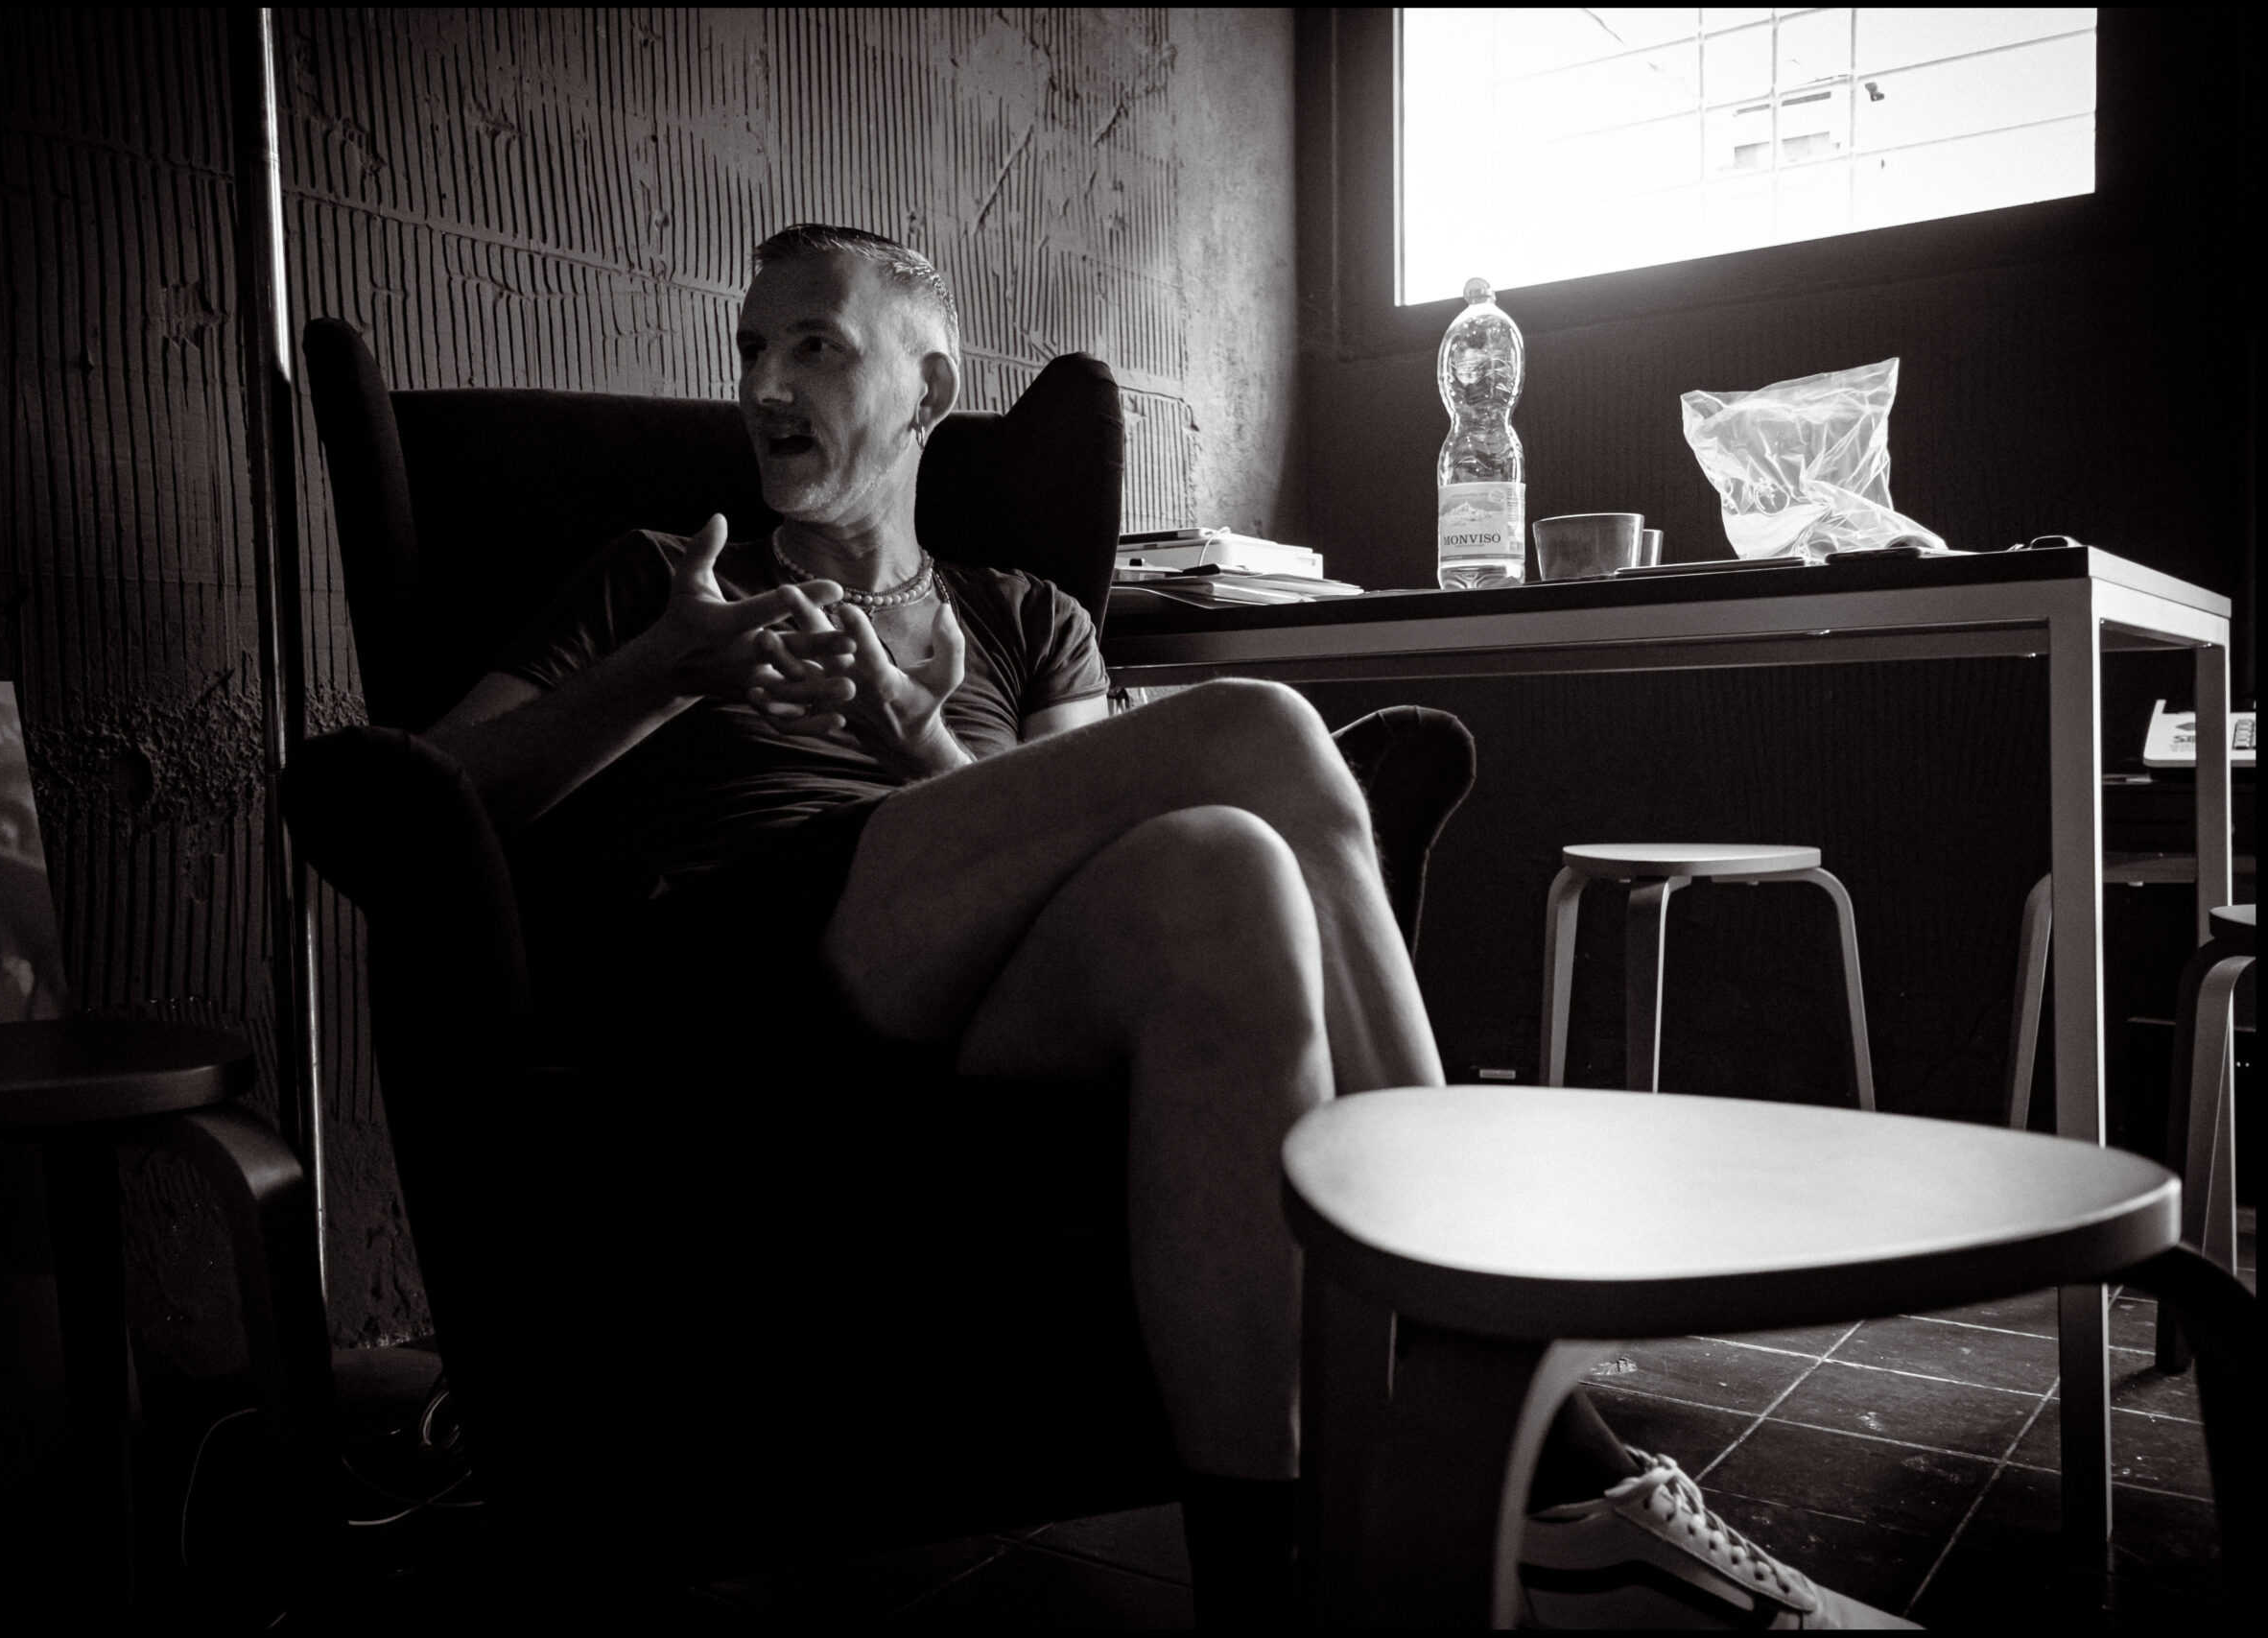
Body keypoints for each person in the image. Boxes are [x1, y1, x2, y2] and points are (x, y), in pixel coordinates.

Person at [424, 224, 1906, 1629]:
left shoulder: (1026, 617)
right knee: (1252, 728)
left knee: (1222, 870)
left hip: (976, 996)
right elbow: (430, 792)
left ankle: (1263, 1590)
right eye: (751, 348)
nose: (762, 384)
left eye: (814, 345)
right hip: (748, 969)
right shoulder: (664, 577)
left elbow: (1091, 845)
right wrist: (662, 674)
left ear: (928, 388)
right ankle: (1528, 1401)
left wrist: (905, 727)